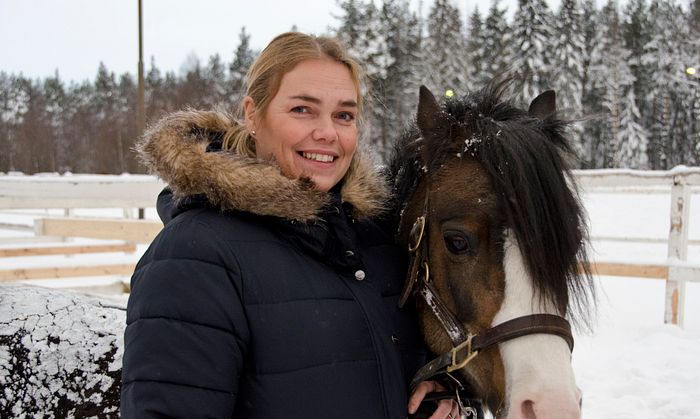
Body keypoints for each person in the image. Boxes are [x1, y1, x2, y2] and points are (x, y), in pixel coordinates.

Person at [121, 32, 458, 419]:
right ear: (253, 114)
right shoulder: (195, 255)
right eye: (303, 110)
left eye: (344, 115)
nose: (328, 133)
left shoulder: (379, 238)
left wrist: (439, 385)